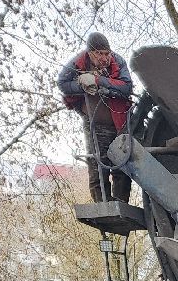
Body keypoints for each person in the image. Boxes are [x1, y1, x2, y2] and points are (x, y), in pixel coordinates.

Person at [57, 33, 133, 203]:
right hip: (94, 122)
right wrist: (82, 86)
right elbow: (62, 84)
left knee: (122, 162)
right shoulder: (78, 62)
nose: (105, 58)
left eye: (107, 53)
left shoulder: (118, 61)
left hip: (119, 121)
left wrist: (98, 80)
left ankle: (121, 203)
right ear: (90, 52)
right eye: (100, 54)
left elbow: (126, 87)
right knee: (97, 161)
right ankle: (102, 203)